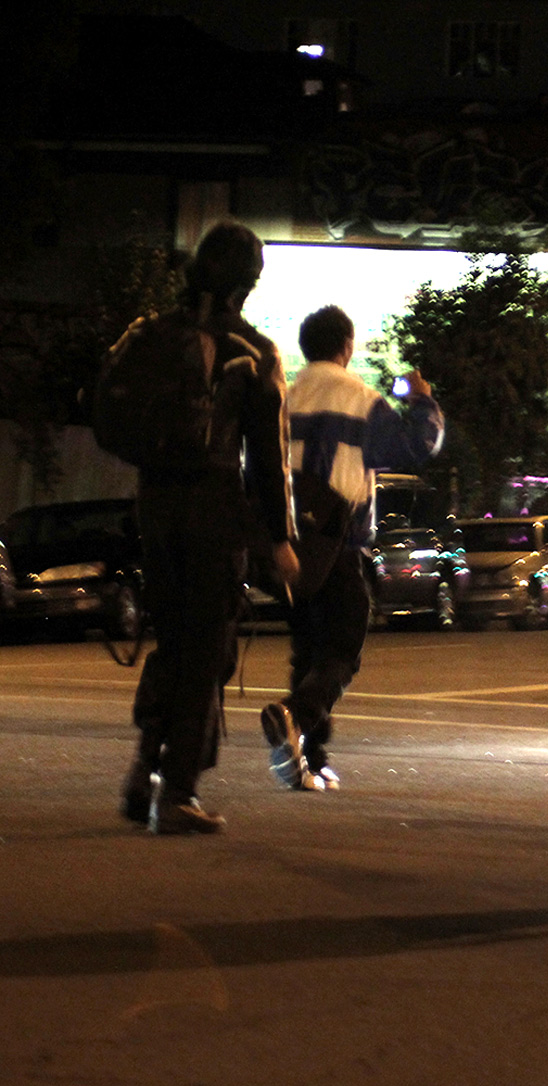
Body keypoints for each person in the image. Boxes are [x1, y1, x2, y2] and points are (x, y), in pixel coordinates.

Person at [120, 222, 298, 834]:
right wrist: (280, 539)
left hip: (154, 504)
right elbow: (270, 458)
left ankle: (144, 769)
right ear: (246, 284)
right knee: (207, 650)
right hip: (212, 510)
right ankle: (178, 792)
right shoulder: (253, 352)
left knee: (173, 640)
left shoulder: (152, 335)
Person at [259, 305, 443, 791]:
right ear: (347, 346)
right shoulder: (361, 399)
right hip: (340, 542)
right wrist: (422, 400)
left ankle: (308, 759)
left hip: (290, 547)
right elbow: (417, 447)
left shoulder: (285, 398)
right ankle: (294, 716)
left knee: (307, 652)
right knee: (342, 647)